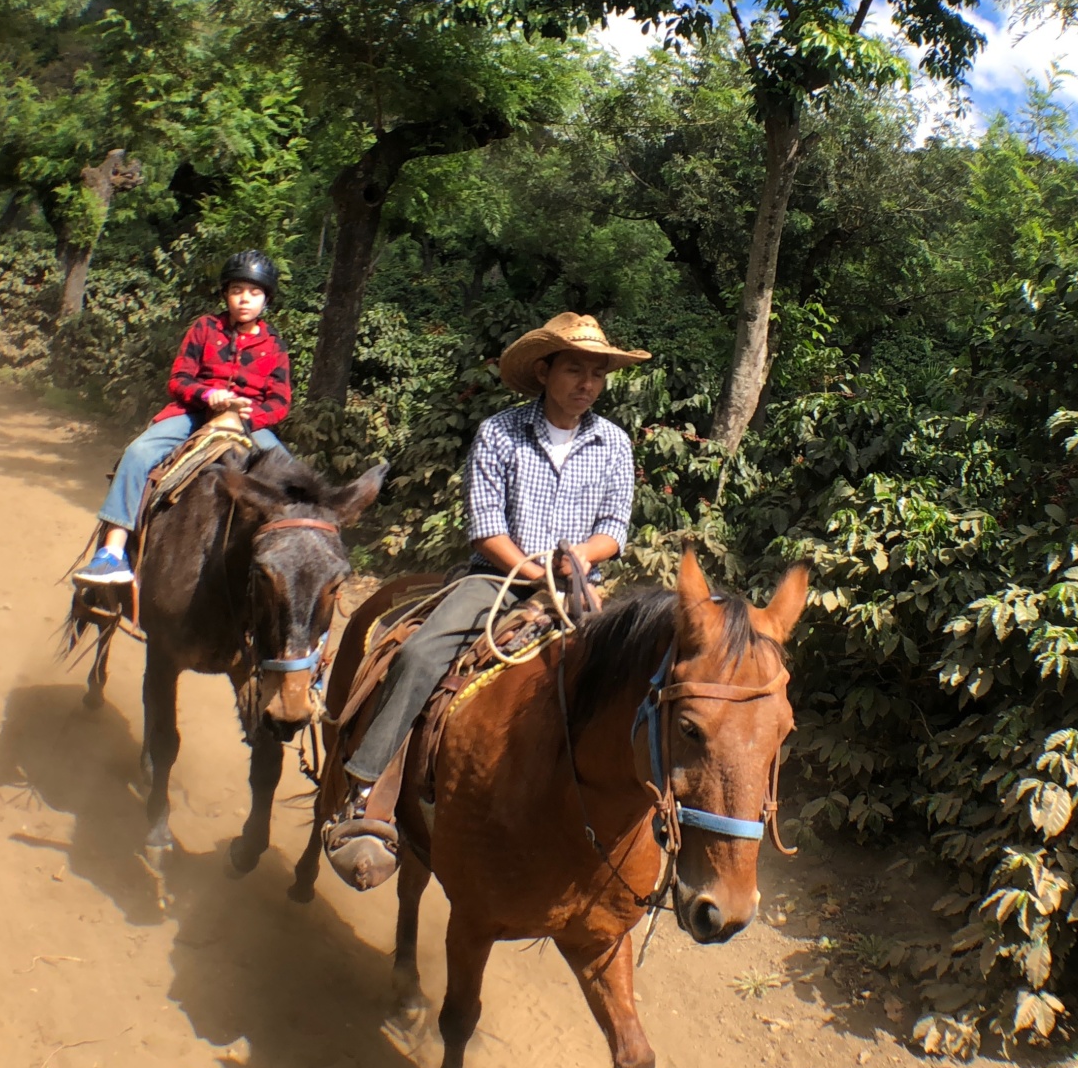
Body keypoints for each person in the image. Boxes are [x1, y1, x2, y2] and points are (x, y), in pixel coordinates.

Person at [324, 311, 648, 874]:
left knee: (633, 682)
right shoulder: (499, 432)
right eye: (575, 370)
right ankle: (366, 783)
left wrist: (573, 562)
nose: (587, 384)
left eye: (597, 374)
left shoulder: (615, 444)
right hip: (495, 579)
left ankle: (635, 828)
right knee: (422, 653)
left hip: (577, 583)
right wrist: (528, 568)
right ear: (544, 371)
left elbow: (614, 528)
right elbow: (485, 523)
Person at [74, 251, 292, 586]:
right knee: (138, 453)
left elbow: (280, 402)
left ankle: (294, 579)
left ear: (266, 299)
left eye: (254, 292)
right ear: (225, 295)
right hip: (193, 415)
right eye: (236, 290)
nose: (244, 299)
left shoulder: (274, 345)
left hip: (249, 424)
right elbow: (179, 379)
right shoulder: (205, 328)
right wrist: (207, 395)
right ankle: (112, 552)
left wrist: (248, 413)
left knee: (293, 480)